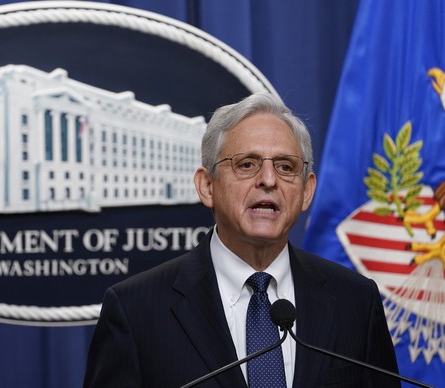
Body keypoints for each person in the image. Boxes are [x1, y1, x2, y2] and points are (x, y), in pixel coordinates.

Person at [83, 92, 400, 387]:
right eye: (246, 164)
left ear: (306, 192)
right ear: (207, 186)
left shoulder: (356, 301)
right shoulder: (136, 310)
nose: (268, 180)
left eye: (285, 166)